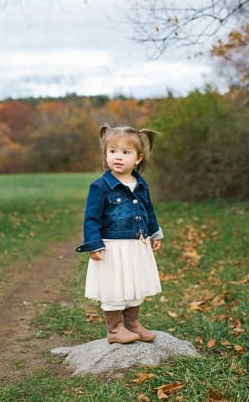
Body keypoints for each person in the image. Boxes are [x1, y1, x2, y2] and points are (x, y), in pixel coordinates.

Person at [75, 125, 163, 344]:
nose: (118, 157)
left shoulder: (140, 184)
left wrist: (155, 233)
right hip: (112, 247)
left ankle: (132, 324)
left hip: (136, 245)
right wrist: (93, 244)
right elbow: (91, 218)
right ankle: (115, 329)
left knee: (134, 284)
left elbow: (148, 211)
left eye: (126, 152)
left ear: (138, 158)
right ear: (105, 155)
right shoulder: (101, 186)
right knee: (114, 286)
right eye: (112, 151)